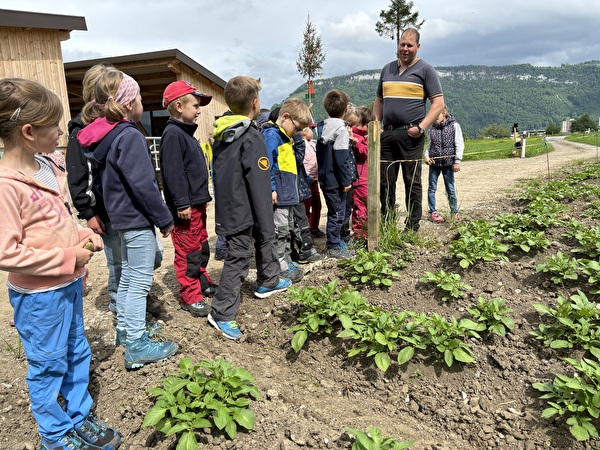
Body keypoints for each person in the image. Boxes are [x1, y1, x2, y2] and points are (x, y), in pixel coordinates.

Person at [0, 78, 121, 450]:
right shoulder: (7, 186)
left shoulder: (46, 167)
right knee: (48, 363)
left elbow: (56, 222)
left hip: (66, 284)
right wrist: (69, 257)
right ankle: (54, 436)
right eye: (55, 125)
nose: (61, 132)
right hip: (39, 299)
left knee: (76, 351)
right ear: (28, 131)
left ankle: (78, 417)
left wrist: (81, 236)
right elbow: (6, 253)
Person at [78, 69, 178, 369]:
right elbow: (143, 184)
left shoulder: (105, 136)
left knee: (126, 279)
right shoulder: (129, 135)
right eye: (137, 97)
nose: (142, 104)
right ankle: (136, 344)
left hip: (119, 218)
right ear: (127, 103)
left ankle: (125, 330)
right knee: (138, 281)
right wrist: (163, 217)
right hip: (135, 218)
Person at [210, 76, 291, 340]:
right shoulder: (251, 136)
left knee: (249, 245)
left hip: (230, 205)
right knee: (239, 256)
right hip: (244, 207)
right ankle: (221, 312)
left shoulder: (223, 132)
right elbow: (258, 184)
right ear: (255, 103)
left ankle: (268, 280)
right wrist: (267, 221)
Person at [66, 62, 124, 315]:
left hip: (127, 208)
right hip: (104, 211)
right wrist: (88, 212)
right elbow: (78, 176)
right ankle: (119, 306)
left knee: (147, 256)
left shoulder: (117, 126)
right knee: (118, 262)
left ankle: (131, 300)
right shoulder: (81, 131)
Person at [373, 27, 445, 232]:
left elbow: (438, 103)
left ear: (418, 47)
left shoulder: (425, 70)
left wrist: (421, 128)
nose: (405, 49)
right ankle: (387, 224)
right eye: (402, 44)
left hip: (411, 134)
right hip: (386, 134)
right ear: (398, 45)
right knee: (385, 182)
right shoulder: (387, 69)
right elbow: (378, 100)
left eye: (409, 45)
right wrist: (376, 124)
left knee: (411, 181)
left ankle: (412, 226)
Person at [159, 80, 218, 317]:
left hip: (197, 203)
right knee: (188, 250)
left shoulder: (186, 133)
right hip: (187, 207)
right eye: (195, 105)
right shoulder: (173, 134)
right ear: (179, 106)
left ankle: (201, 278)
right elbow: (173, 172)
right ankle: (190, 294)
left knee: (201, 244)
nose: (199, 110)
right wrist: (181, 202)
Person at [261, 99, 312, 281]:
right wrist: (271, 188)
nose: (297, 133)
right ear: (285, 117)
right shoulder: (272, 136)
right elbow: (267, 164)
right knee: (280, 231)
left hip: (289, 196)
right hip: (280, 196)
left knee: (288, 229)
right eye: (297, 128)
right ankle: (280, 265)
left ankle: (287, 260)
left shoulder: (285, 137)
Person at [316, 89, 355, 259]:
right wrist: (346, 180)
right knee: (338, 213)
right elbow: (341, 158)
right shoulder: (341, 130)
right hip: (337, 180)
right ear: (346, 108)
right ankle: (334, 245)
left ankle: (335, 241)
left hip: (325, 177)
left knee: (333, 211)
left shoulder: (321, 127)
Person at [424, 105, 464, 223]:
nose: (435, 118)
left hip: (448, 164)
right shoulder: (432, 129)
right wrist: (426, 156)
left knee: (450, 189)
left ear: (444, 113)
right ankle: (432, 211)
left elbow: (459, 144)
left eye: (437, 115)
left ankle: (454, 212)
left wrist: (457, 161)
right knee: (431, 188)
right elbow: (429, 145)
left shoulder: (454, 126)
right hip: (434, 164)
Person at [350, 106, 375, 240]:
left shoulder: (360, 135)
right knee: (360, 207)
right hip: (360, 179)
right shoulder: (355, 136)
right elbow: (363, 152)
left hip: (365, 177)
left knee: (364, 206)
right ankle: (360, 234)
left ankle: (363, 231)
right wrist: (369, 141)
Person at [301, 126, 325, 238]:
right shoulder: (301, 145)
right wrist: (308, 178)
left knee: (317, 205)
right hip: (306, 182)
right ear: (304, 132)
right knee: (306, 207)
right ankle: (306, 230)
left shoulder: (312, 145)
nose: (313, 131)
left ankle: (314, 227)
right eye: (311, 128)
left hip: (314, 181)